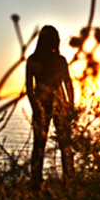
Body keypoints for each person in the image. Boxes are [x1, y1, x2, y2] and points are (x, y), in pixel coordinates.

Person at [26, 25, 75, 186]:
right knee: (64, 143)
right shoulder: (58, 61)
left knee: (40, 144)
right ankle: (68, 179)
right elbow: (69, 85)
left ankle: (37, 181)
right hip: (56, 104)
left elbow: (29, 88)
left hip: (46, 104)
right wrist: (70, 105)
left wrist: (35, 105)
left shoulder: (33, 60)